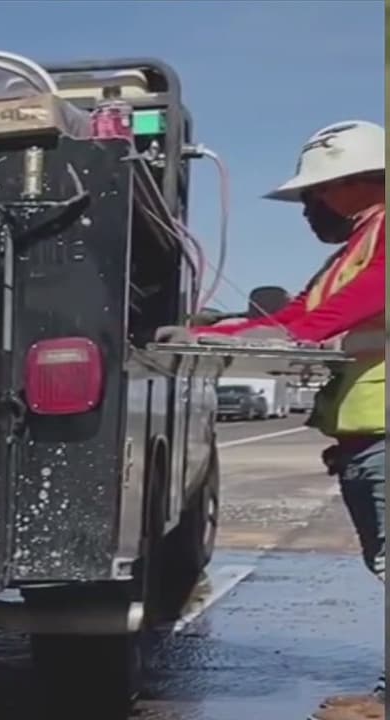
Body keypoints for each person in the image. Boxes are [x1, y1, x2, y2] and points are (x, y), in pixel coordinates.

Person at [162, 120, 384, 720]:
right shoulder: (356, 247)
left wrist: (276, 334)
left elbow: (337, 313)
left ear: (356, 182)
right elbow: (298, 314)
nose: (309, 210)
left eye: (315, 194)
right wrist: (214, 332)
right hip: (366, 434)